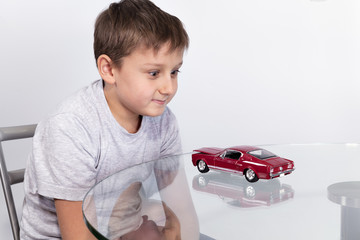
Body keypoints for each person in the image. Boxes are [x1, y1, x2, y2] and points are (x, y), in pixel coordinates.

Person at [20, 0, 198, 239]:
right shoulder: (70, 127)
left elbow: (182, 211)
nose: (168, 87)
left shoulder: (164, 122)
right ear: (109, 69)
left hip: (124, 229)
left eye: (174, 71)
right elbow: (78, 236)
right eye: (154, 73)